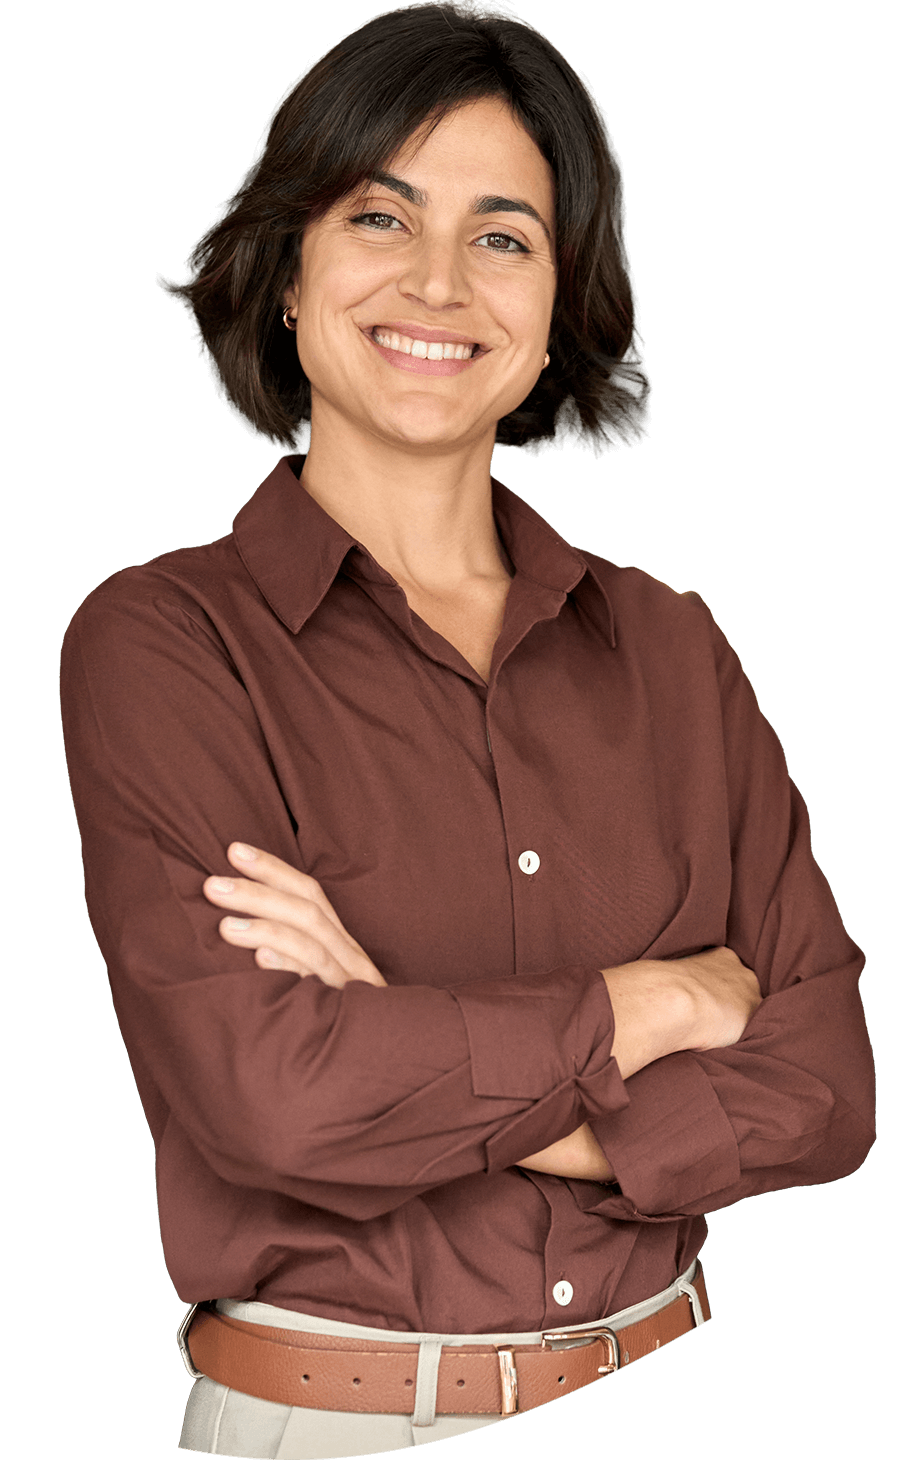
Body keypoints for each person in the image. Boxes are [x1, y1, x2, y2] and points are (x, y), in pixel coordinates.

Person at [59, 3, 875, 1456]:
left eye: (503, 236)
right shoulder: (165, 645)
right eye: (380, 216)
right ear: (289, 274)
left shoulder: (675, 649)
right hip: (338, 1429)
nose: (438, 282)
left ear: (558, 304)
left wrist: (399, 1033)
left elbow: (826, 1091)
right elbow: (276, 1104)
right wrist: (644, 1010)